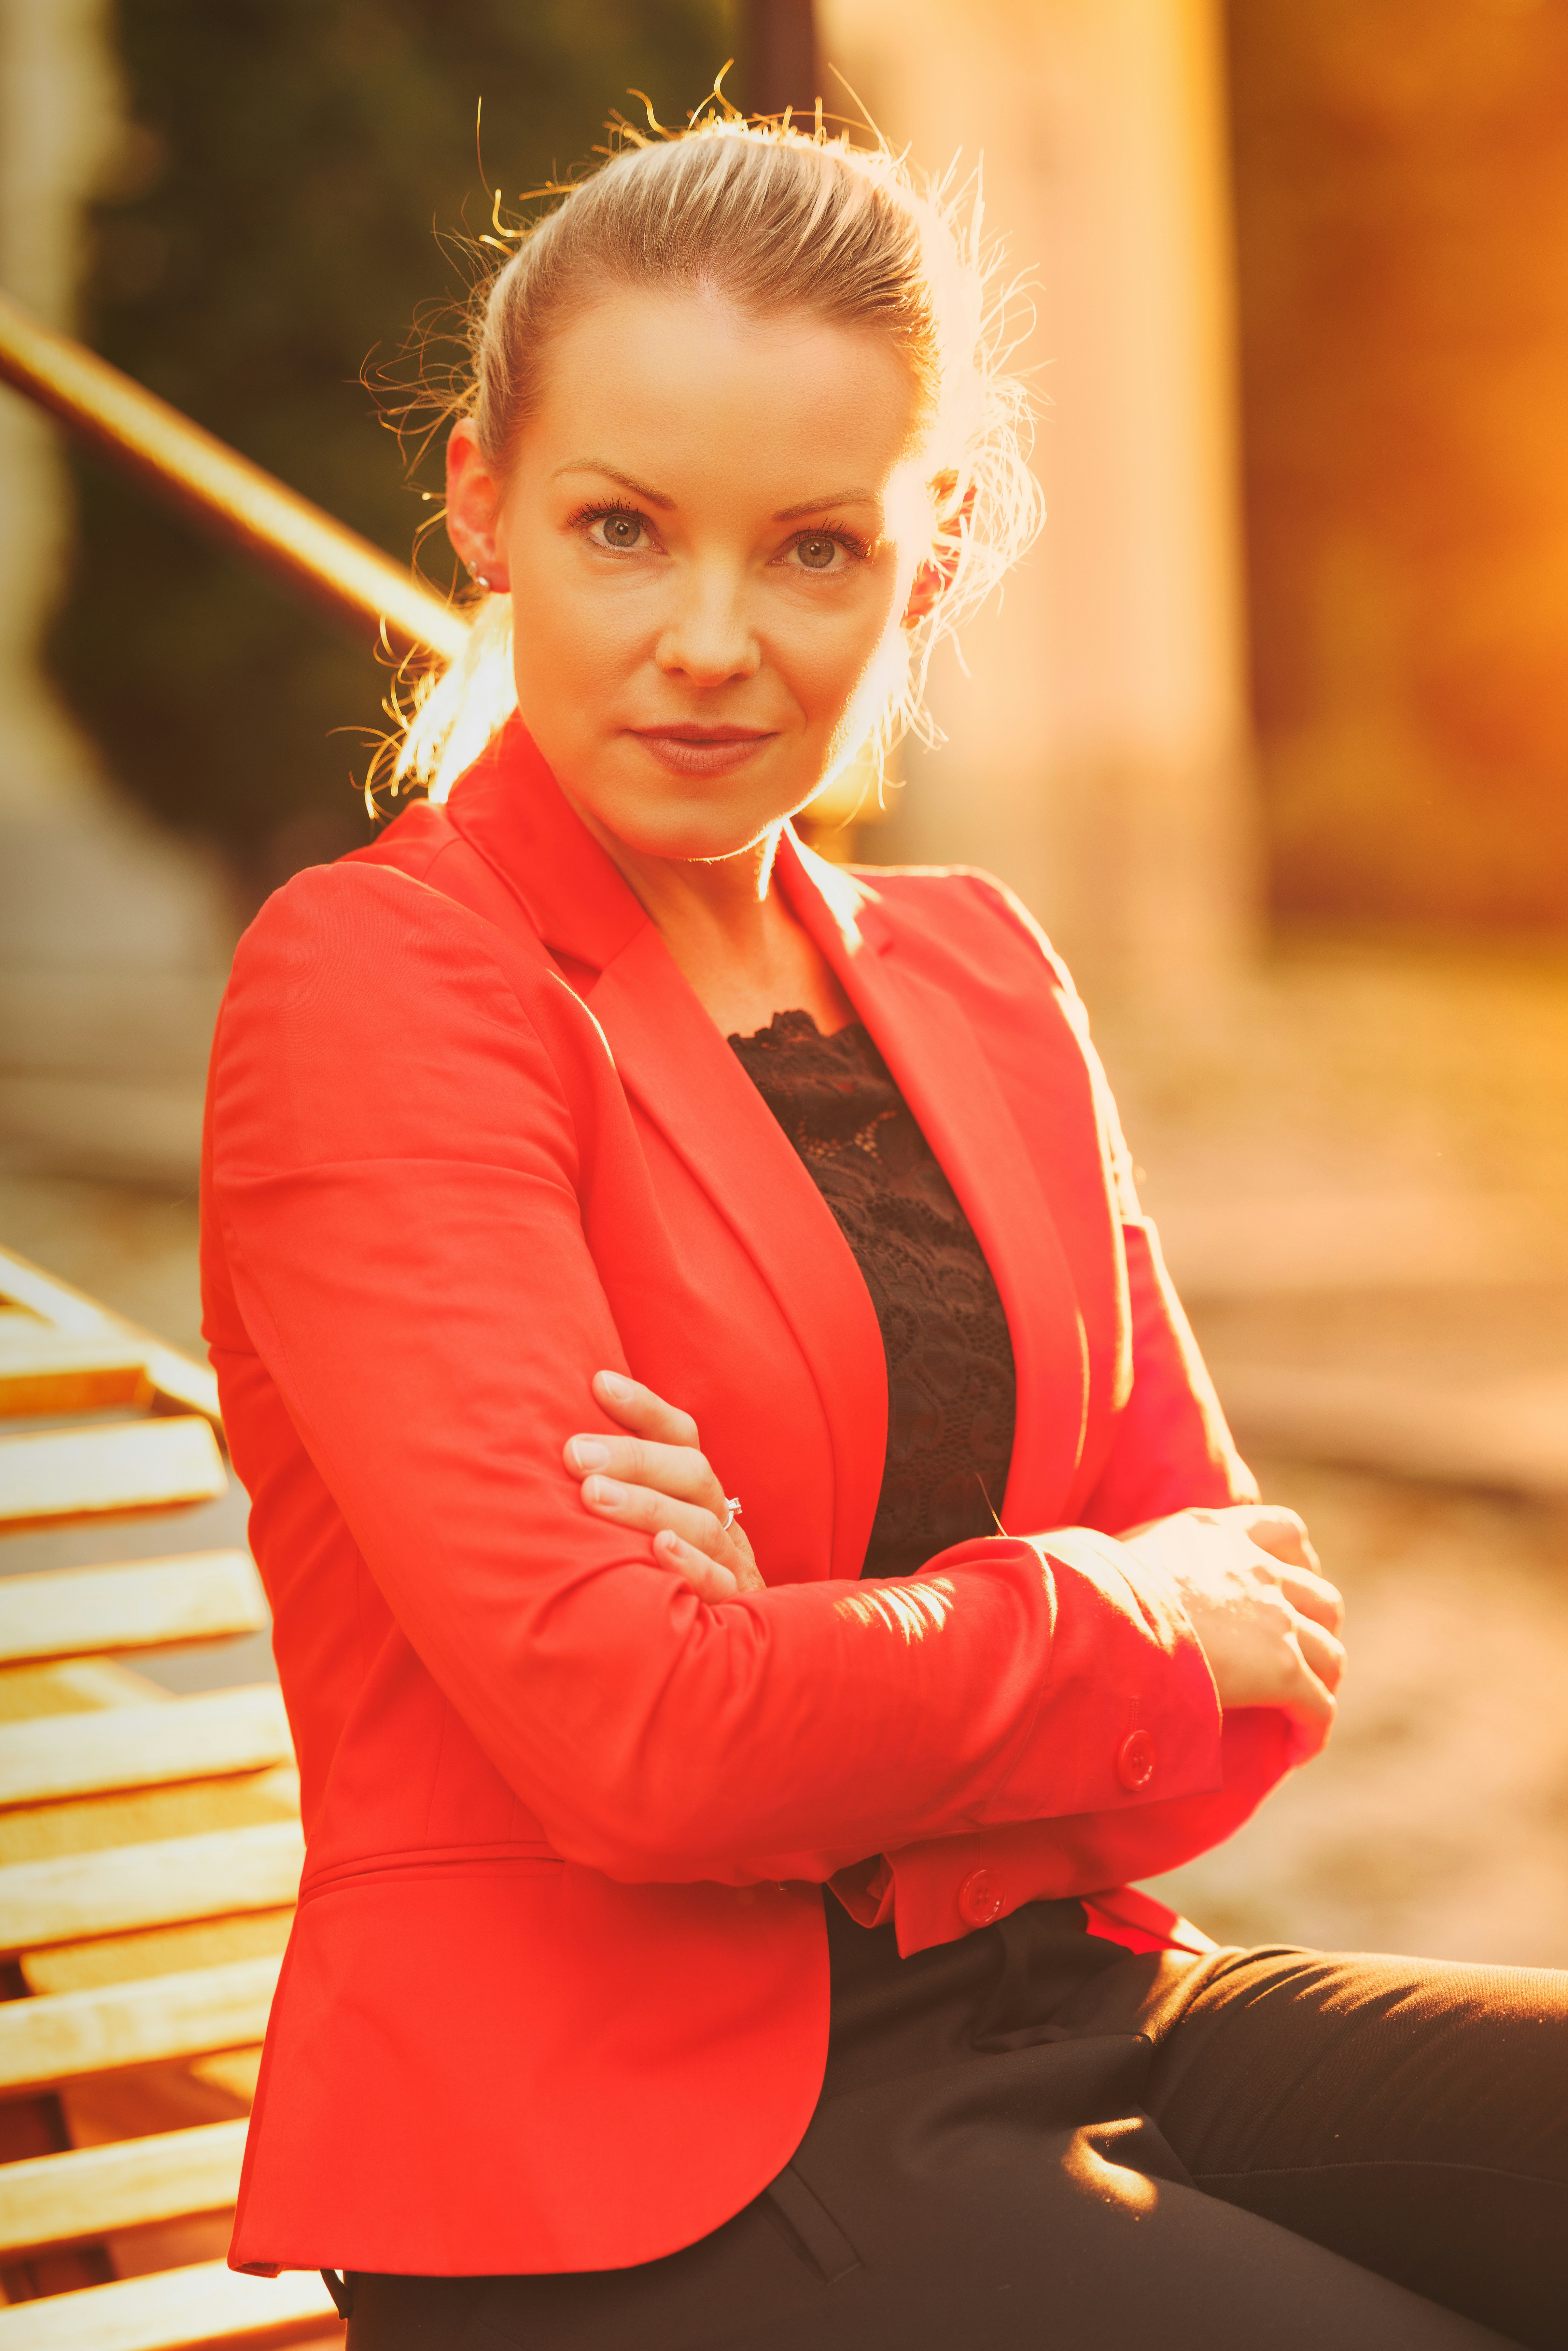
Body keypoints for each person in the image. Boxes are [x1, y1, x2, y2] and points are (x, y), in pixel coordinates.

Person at [201, 117, 1566, 2350]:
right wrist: (1113, 1603)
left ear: (926, 568)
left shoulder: (983, 971)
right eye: (623, 529)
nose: (710, 643)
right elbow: (648, 1737)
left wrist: (813, 1639)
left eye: (815, 549)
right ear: (483, 507)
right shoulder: (385, 984)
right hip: (626, 2168)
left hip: (1079, 2008)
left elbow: (1277, 1651)